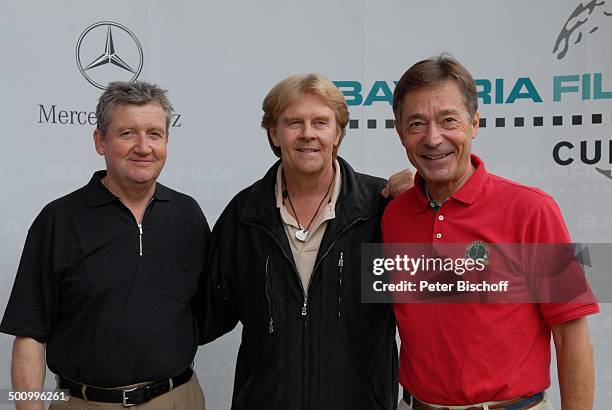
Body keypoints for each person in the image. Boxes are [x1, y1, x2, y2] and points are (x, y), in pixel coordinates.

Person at [383, 55, 599, 410]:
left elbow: (571, 332)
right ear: (400, 133)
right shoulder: (394, 216)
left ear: (474, 123)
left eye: (448, 120)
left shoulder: (531, 210)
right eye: (417, 123)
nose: (433, 138)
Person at [199, 74, 406, 409]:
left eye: (320, 122)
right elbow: (204, 314)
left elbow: (447, 289)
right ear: (274, 132)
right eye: (294, 122)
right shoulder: (245, 215)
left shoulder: (379, 209)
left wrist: (431, 202)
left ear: (337, 133)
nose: (308, 133)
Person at [0, 81, 209, 410]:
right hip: (84, 403)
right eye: (128, 133)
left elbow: (209, 307)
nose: (144, 147)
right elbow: (29, 333)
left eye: (154, 134)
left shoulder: (187, 214)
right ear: (100, 141)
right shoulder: (58, 221)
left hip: (178, 399)